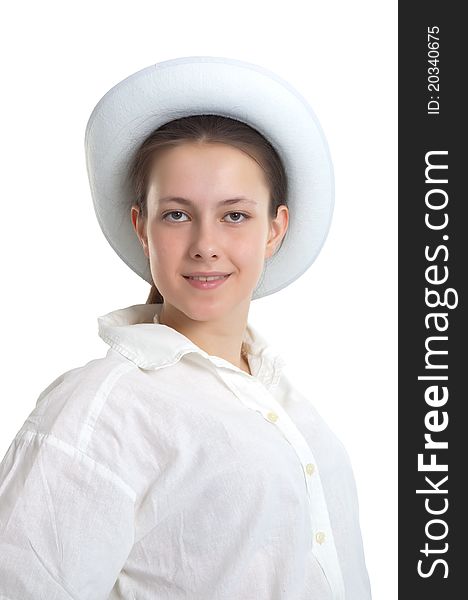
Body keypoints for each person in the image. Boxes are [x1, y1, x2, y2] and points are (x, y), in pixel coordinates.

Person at [0, 57, 372, 599]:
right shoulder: (100, 409)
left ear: (275, 228)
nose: (205, 243)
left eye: (235, 215)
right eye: (176, 213)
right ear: (141, 227)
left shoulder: (283, 400)